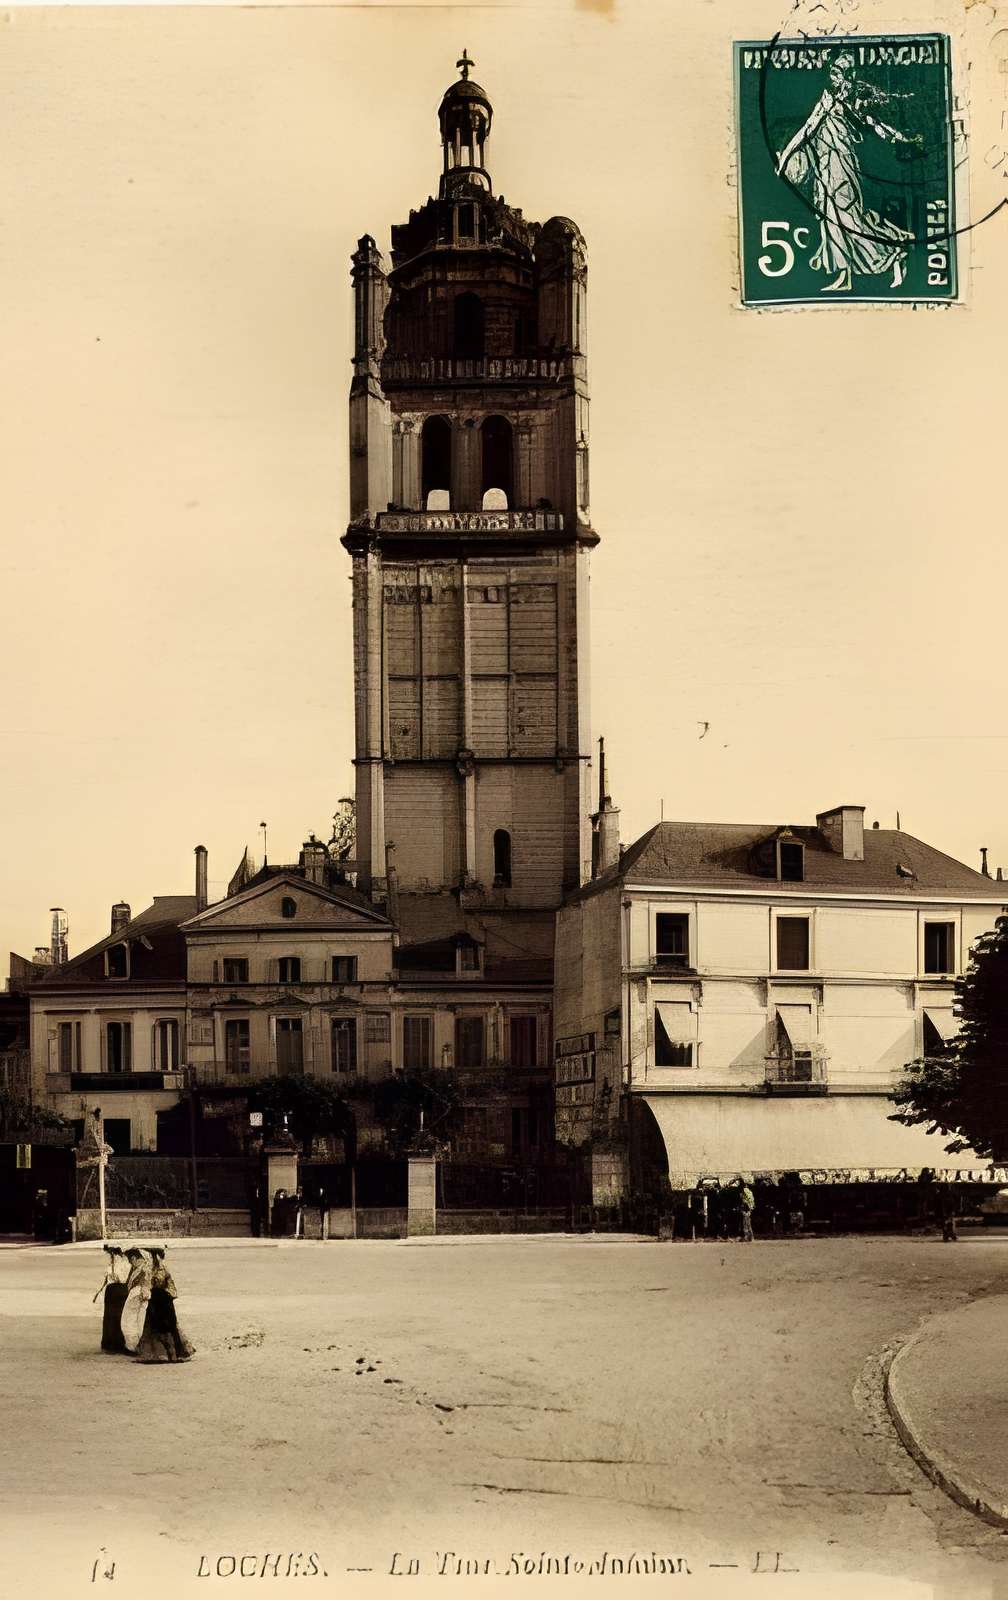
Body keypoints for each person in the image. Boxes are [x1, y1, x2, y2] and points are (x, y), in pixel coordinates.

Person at [774, 52, 921, 292]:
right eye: (836, 71)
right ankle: (847, 277)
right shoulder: (828, 100)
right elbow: (806, 130)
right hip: (826, 169)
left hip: (841, 168)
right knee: (834, 221)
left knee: (847, 219)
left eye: (845, 72)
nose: (839, 77)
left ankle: (894, 250)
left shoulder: (847, 101)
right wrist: (786, 158)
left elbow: (875, 124)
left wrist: (900, 139)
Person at [134, 1247, 195, 1363]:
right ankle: (166, 1354)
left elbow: (159, 1285)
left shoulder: (159, 1269)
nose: (151, 1258)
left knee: (163, 1327)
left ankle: (164, 1354)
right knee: (158, 1327)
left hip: (162, 1301)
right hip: (159, 1301)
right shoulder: (152, 1269)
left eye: (152, 1256)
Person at [92, 1245, 131, 1353]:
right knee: (111, 1316)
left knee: (116, 1316)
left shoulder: (122, 1263)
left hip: (118, 1289)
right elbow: (107, 1279)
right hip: (112, 1290)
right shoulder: (113, 1264)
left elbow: (122, 1278)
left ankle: (115, 1342)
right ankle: (111, 1342)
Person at [738, 1177, 756, 1243]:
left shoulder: (744, 1191)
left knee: (745, 1223)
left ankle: (747, 1237)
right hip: (749, 1208)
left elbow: (745, 1201)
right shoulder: (749, 1191)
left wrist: (744, 1208)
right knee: (748, 1223)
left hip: (746, 1209)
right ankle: (751, 1237)